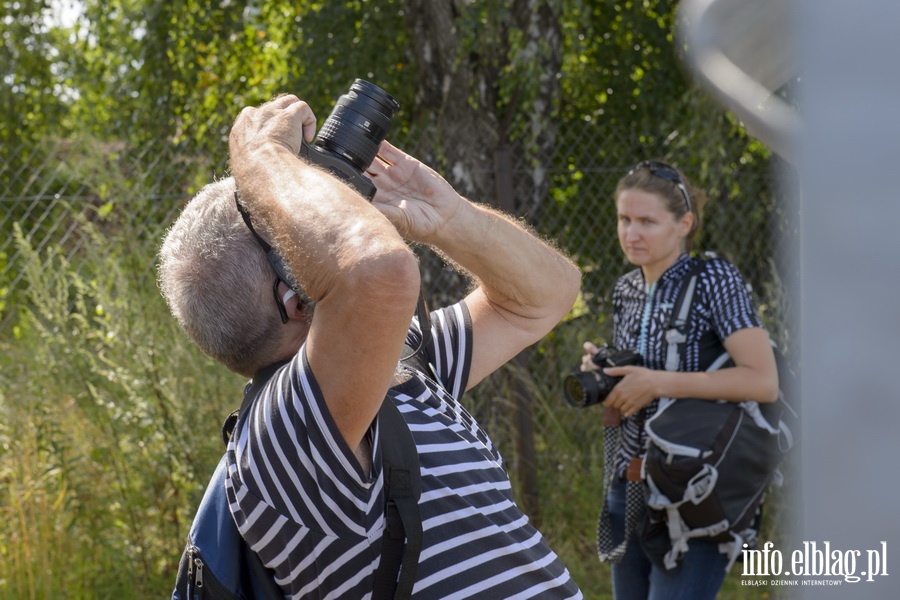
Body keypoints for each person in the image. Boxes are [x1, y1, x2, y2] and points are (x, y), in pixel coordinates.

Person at [157, 94, 584, 599]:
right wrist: (261, 162)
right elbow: (379, 273)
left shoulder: (400, 364)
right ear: (295, 293)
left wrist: (450, 222)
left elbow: (544, 295)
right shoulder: (281, 441)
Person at [579, 160, 779, 600]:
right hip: (628, 481)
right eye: (624, 219)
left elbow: (763, 381)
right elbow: (641, 373)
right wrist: (607, 374)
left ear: (684, 224)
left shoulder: (715, 280)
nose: (631, 233)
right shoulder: (626, 287)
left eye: (647, 221)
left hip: (694, 485)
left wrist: (658, 383)